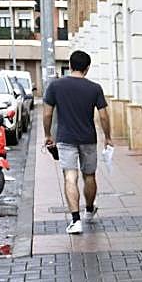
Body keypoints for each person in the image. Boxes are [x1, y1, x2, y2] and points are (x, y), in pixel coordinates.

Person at [43, 50, 112, 235]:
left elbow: (47, 113)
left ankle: (75, 220)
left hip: (66, 139)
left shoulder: (55, 86)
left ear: (70, 65)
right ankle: (89, 210)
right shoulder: (94, 88)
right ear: (87, 68)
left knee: (69, 177)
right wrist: (108, 137)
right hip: (88, 138)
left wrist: (48, 134)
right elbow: (104, 116)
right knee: (89, 176)